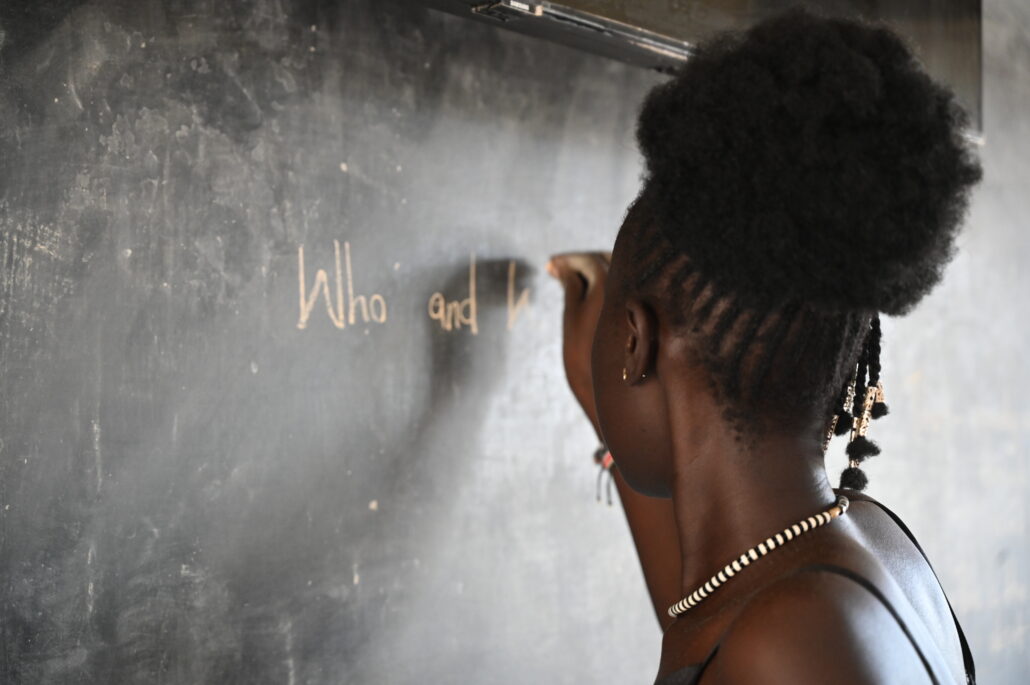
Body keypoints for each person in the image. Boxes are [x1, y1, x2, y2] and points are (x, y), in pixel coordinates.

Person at [548, 8, 981, 684]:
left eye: (611, 325)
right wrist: (598, 392)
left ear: (635, 341)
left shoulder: (786, 639)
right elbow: (703, 624)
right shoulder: (862, 545)